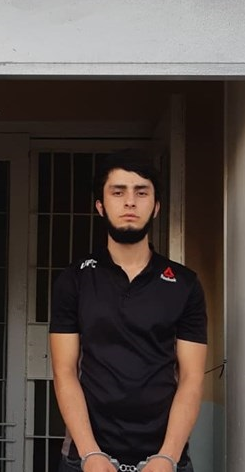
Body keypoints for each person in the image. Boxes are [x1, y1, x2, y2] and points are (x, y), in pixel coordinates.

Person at [49, 150, 207, 472]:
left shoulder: (184, 284)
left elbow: (191, 377)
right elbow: (64, 372)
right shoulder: (74, 279)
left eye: (141, 192)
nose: (130, 202)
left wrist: (168, 456)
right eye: (118, 192)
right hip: (87, 457)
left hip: (164, 459)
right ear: (100, 206)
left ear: (156, 206)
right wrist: (90, 453)